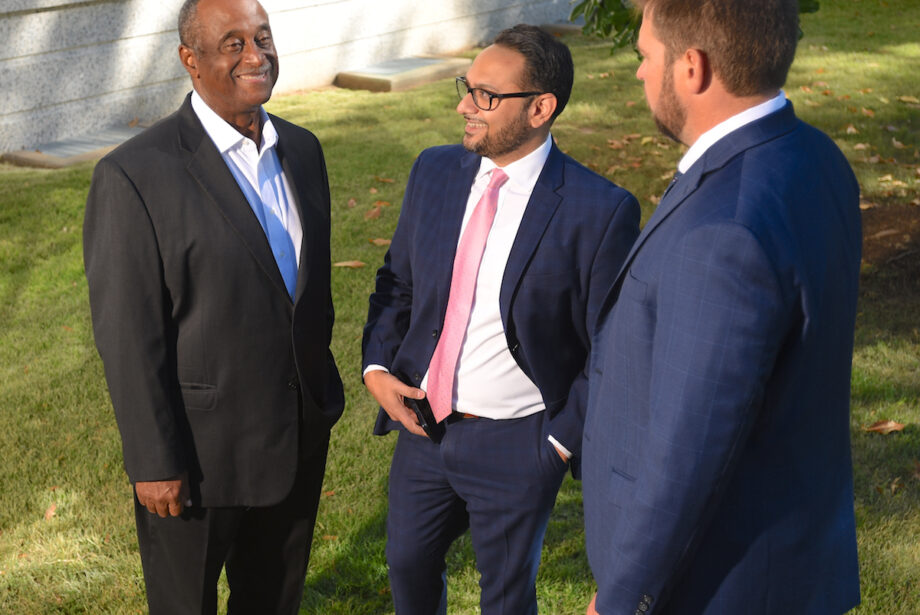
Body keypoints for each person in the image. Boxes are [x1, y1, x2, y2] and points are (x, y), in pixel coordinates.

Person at [582, 0, 862, 613]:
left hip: (720, 584)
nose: (637, 73)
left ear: (692, 68)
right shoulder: (817, 157)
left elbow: (689, 448)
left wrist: (624, 596)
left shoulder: (722, 229)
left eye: (644, 56)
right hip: (794, 554)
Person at [362, 24, 640, 615]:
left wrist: (559, 445)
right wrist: (377, 367)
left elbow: (611, 347)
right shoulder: (435, 172)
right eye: (468, 87)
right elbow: (397, 282)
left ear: (541, 108)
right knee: (407, 568)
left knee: (506, 598)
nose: (465, 104)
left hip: (519, 441)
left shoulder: (599, 209)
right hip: (424, 428)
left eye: (486, 95)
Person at [83, 0, 344, 612]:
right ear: (190, 60)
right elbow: (128, 337)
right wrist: (153, 461)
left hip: (296, 437)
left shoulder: (302, 151)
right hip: (197, 462)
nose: (256, 56)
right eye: (232, 43)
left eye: (262, 37)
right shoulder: (133, 175)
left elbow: (308, 294)